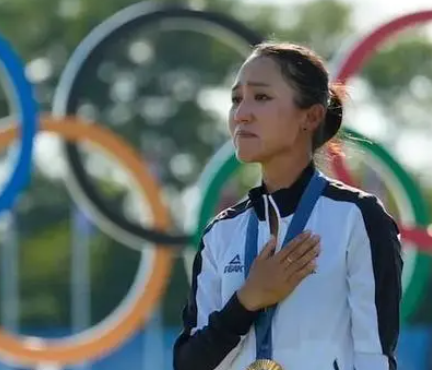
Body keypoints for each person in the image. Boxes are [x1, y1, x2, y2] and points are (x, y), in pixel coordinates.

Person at [172, 42, 403, 370]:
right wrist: (247, 300)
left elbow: (375, 359)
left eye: (261, 97)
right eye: (236, 99)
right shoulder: (221, 232)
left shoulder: (359, 218)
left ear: (310, 116)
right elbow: (188, 365)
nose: (241, 114)